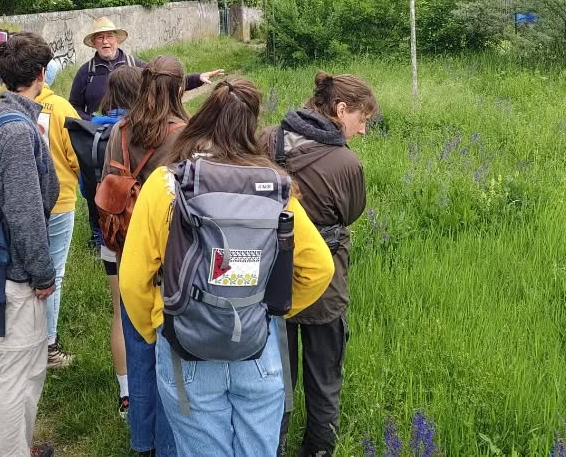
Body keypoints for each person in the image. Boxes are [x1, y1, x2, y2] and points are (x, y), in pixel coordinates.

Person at [120, 77, 334, 457]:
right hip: (256, 343)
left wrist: (156, 326)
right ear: (251, 125)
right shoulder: (275, 185)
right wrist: (268, 311)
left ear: (202, 118)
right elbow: (318, 268)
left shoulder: (167, 183)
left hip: (184, 342)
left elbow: (134, 279)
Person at [269, 73, 376, 457]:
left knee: (274, 377)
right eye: (362, 119)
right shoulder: (346, 163)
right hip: (325, 284)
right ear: (341, 109)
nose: (363, 130)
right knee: (325, 375)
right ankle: (318, 448)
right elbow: (350, 214)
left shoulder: (269, 139)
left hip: (271, 281)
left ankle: (271, 445)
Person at [0, 32, 60, 457]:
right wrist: (42, 273)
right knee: (22, 371)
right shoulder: (18, 132)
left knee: (1, 365)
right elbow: (24, 211)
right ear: (41, 74)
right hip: (11, 273)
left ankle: (3, 449)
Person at [102, 56, 188, 455]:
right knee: (169, 360)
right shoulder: (183, 135)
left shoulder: (120, 129)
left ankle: (142, 440)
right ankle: (168, 445)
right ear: (179, 87)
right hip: (168, 260)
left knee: (138, 349)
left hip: (125, 249)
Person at [79, 66, 142, 417]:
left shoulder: (96, 130)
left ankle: (126, 394)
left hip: (112, 234)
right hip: (145, 240)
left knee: (119, 312)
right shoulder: (145, 130)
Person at [68, 17, 224, 120]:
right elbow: (74, 105)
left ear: (117, 40)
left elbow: (163, 79)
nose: (105, 41)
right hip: (97, 135)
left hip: (133, 131)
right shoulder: (86, 72)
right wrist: (92, 121)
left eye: (109, 36)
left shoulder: (134, 64)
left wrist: (197, 79)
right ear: (94, 43)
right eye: (100, 37)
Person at [33, 72, 82, 369]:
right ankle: (49, 346)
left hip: (22, 202)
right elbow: (77, 154)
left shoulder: (8, 107)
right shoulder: (61, 107)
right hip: (60, 200)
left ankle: (28, 340)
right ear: (43, 75)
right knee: (54, 273)